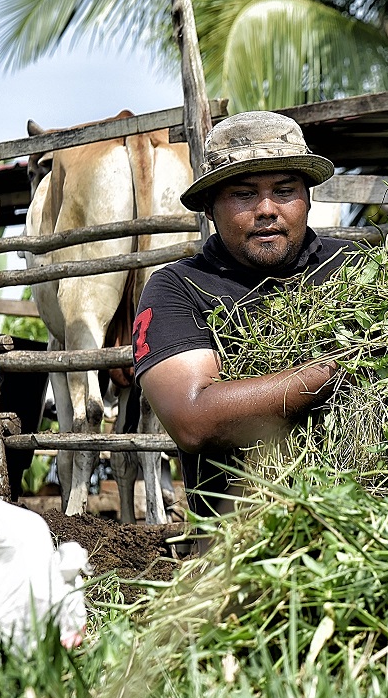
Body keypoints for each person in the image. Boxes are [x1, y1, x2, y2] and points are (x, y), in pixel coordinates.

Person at [131, 111, 357, 515]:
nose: (267, 209)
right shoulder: (178, 290)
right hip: (241, 544)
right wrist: (336, 368)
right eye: (244, 194)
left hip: (379, 528)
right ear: (209, 207)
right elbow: (193, 418)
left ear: (308, 198)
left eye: (285, 190)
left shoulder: (358, 269)